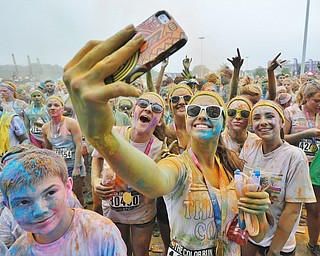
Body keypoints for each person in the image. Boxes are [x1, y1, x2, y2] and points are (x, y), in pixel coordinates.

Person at [63, 24, 270, 255]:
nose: (202, 115)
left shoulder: (236, 168)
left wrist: (258, 212)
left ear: (223, 122)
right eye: (194, 111)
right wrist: (102, 136)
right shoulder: (177, 165)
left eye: (211, 111)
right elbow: (155, 182)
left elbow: (258, 234)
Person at [0, 148, 126, 255]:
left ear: (67, 188)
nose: (40, 211)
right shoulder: (17, 252)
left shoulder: (101, 233)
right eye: (24, 202)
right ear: (8, 206)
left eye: (50, 193)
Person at [92, 92, 164, 256]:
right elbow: (96, 158)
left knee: (140, 252)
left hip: (142, 212)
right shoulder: (112, 134)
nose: (148, 109)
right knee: (120, 251)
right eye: (143, 104)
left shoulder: (160, 148)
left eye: (156, 108)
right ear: (134, 111)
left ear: (159, 121)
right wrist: (95, 181)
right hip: (113, 209)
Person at [240, 100, 316, 256]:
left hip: (279, 241)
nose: (263, 122)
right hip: (250, 232)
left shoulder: (294, 157)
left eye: (269, 116)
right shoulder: (250, 146)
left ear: (282, 122)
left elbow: (293, 210)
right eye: (257, 118)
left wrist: (274, 251)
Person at [283, 80, 320, 255]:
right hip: (294, 167)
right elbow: (282, 138)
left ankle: (313, 243)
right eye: (317, 101)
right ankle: (284, 243)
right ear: (306, 98)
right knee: (291, 207)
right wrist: (307, 133)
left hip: (316, 169)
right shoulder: (291, 112)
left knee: (314, 208)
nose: (319, 104)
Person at [42, 95, 86, 206]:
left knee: (77, 194)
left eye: (56, 105)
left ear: (62, 109)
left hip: (74, 164)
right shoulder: (45, 128)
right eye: (49, 105)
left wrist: (77, 168)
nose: (52, 108)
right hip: (59, 167)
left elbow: (79, 145)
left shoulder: (71, 123)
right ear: (46, 109)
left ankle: (80, 217)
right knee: (61, 195)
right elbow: (48, 150)